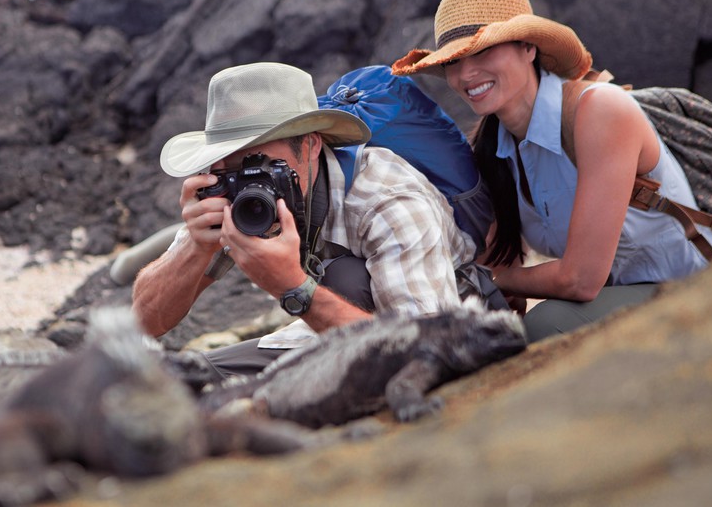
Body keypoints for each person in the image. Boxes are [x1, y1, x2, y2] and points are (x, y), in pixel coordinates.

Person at [392, 0, 712, 342]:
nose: (466, 74)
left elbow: (580, 280)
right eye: (453, 61)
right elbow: (499, 260)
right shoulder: (491, 148)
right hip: (623, 295)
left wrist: (489, 281)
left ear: (528, 48)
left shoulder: (599, 112)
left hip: (693, 287)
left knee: (545, 324)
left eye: (483, 51)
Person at [132, 62, 478, 377]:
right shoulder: (230, 195)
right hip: (328, 333)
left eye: (261, 162)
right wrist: (196, 246)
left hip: (449, 330)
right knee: (185, 380)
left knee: (346, 276)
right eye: (229, 166)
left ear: (311, 145)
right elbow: (146, 321)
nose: (251, 182)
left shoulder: (386, 197)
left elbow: (429, 352)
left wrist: (293, 288)